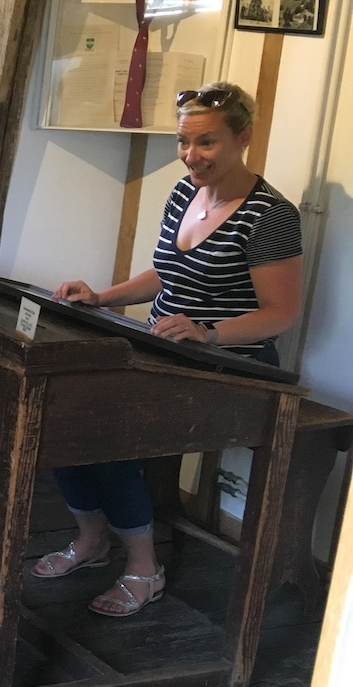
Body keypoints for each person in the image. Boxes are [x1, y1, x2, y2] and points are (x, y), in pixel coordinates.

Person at [44, 81, 303, 617]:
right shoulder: (185, 191)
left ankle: (144, 569)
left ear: (243, 137)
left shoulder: (270, 214)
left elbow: (281, 313)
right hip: (166, 352)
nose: (191, 156)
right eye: (184, 142)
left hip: (232, 365)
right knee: (62, 417)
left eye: (206, 143)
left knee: (115, 441)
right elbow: (165, 272)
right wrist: (101, 297)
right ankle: (92, 542)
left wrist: (207, 333)